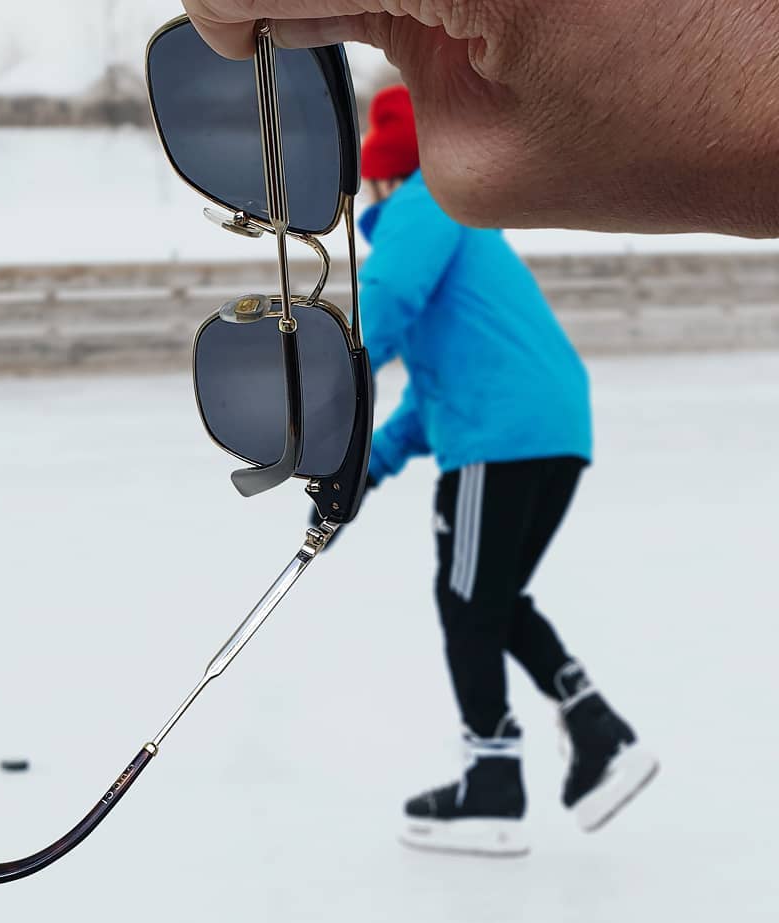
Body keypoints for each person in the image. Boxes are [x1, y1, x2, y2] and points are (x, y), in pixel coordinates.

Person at [319, 85, 658, 855]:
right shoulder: (457, 230)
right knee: (492, 599)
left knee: (469, 601)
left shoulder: (425, 206)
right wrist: (365, 469)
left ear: (382, 174)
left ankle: (492, 781)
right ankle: (596, 729)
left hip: (502, 439)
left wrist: (330, 396)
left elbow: (385, 308)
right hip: (550, 429)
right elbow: (437, 396)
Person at [182, 0, 779, 239]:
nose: (370, 192)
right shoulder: (425, 218)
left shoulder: (417, 219)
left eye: (376, 177)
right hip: (504, 430)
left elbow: (396, 308)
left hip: (504, 441)